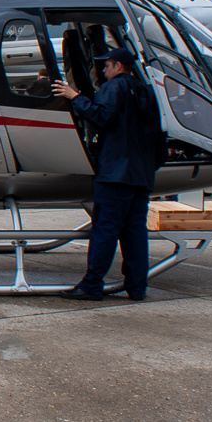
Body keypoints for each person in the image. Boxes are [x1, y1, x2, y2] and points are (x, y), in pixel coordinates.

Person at [51, 47, 160, 301]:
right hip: (141, 174)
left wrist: (73, 96)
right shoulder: (143, 89)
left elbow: (101, 116)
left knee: (106, 230)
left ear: (118, 66)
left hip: (116, 173)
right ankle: (137, 287)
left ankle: (92, 284)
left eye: (107, 65)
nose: (103, 69)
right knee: (135, 232)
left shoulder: (115, 87)